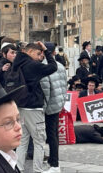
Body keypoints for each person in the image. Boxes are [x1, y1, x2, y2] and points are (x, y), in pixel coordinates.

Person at [14, 42, 57, 173]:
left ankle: (19, 168)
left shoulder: (17, 63)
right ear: (30, 51)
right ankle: (37, 170)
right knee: (39, 141)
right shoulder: (32, 65)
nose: (40, 57)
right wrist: (47, 51)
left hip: (20, 106)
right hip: (33, 107)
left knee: (22, 141)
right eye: (38, 54)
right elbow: (53, 67)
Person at [40, 42, 67, 172]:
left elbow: (45, 90)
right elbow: (64, 87)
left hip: (49, 105)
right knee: (54, 134)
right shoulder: (61, 66)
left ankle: (55, 164)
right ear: (54, 53)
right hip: (57, 104)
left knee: (50, 135)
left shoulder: (44, 67)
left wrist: (42, 109)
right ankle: (53, 160)